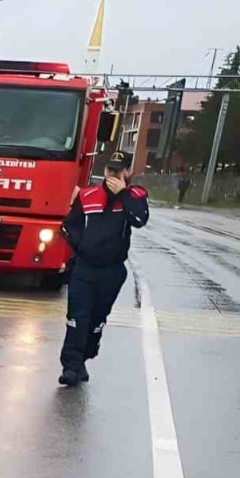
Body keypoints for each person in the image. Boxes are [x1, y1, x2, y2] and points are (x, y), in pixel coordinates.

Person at [58, 151, 149, 387]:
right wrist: (82, 245)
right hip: (84, 269)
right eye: (110, 170)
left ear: (127, 172)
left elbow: (139, 220)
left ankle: (83, 359)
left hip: (112, 271)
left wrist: (123, 195)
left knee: (97, 320)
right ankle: (70, 365)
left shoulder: (135, 196)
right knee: (78, 318)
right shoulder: (87, 194)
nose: (112, 175)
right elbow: (68, 226)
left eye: (118, 171)